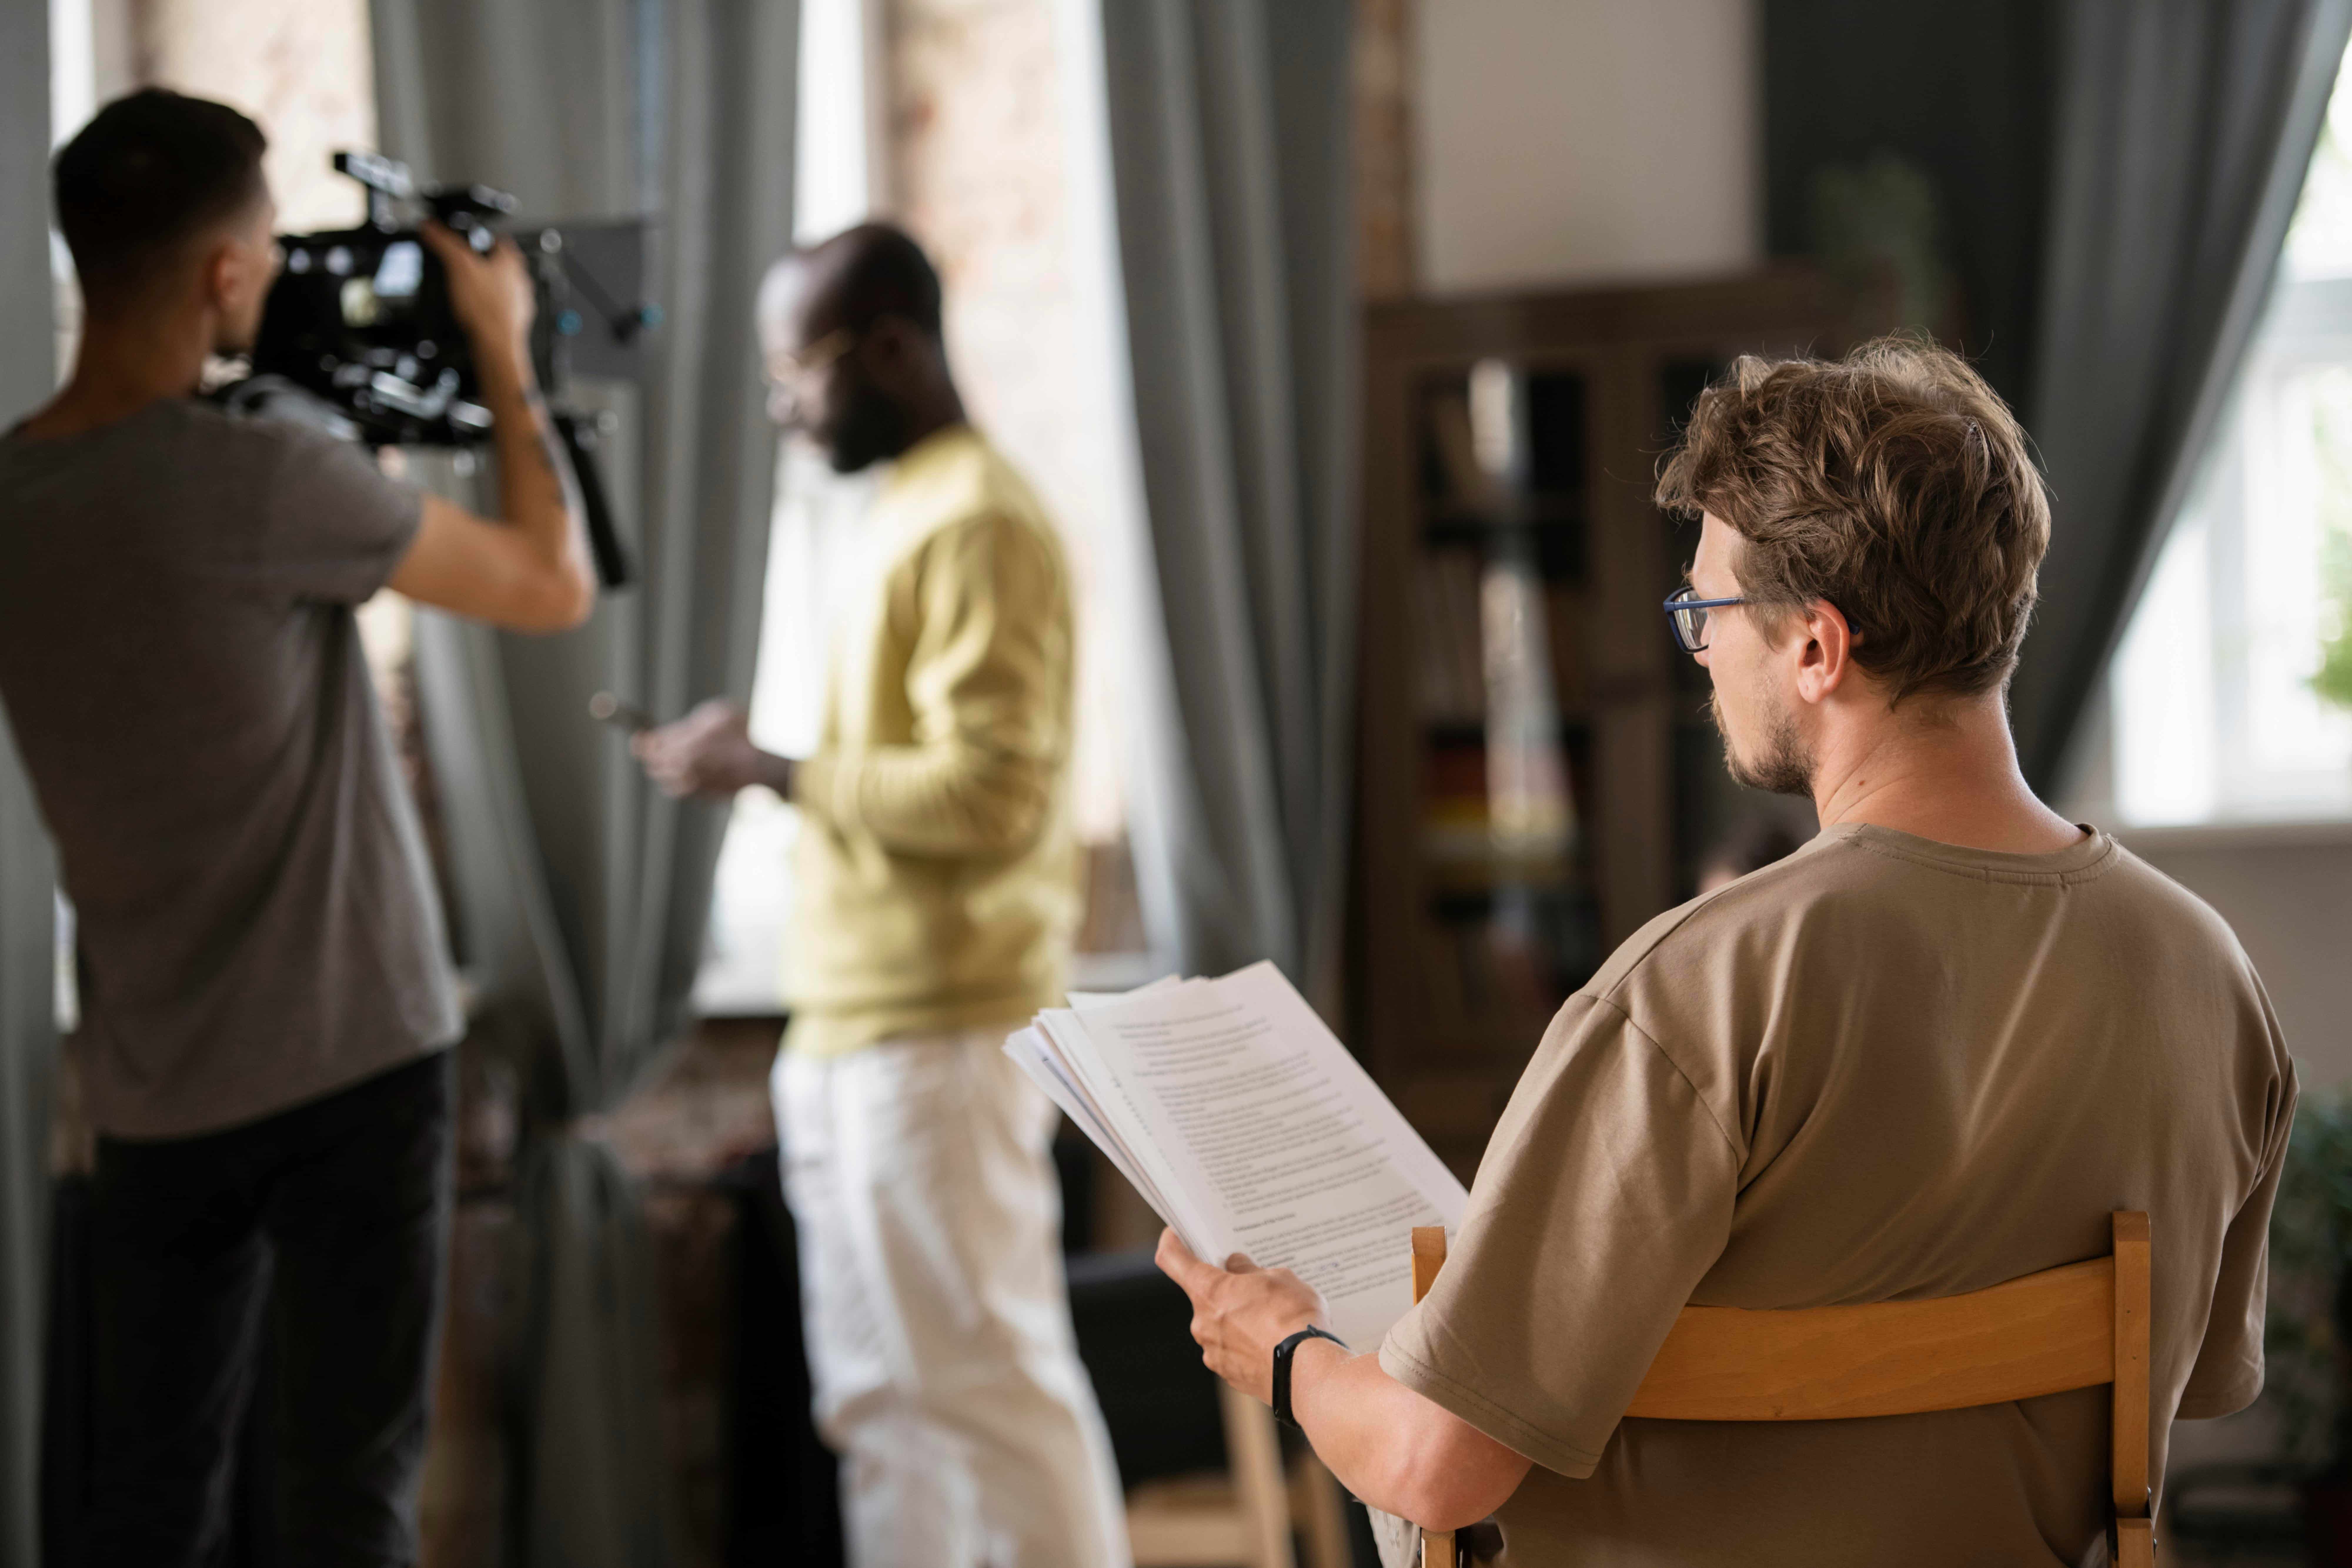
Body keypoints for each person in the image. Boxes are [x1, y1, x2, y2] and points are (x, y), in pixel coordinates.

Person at [1156, 339, 2294, 1564]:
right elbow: (2190, 1383)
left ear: (1815, 648)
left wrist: (1286, 1349)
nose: (1696, 649)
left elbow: (1438, 1466)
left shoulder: (1697, 991)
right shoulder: (2206, 972)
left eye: (1705, 611)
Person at [0, 89, 595, 1565]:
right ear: (222, 274)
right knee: (349, 1503)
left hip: (151, 1087)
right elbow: (550, 580)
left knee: (149, 1499)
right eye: (266, 247)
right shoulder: (263, 476)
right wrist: (503, 343)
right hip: (356, 1060)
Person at [631, 223, 1129, 1568]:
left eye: (797, 371)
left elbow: (990, 795)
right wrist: (770, 765)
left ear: (893, 348)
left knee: (989, 1394)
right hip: (851, 1026)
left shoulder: (978, 519)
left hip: (943, 1032)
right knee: (877, 1406)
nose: (783, 405)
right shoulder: (909, 507)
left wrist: (770, 766)